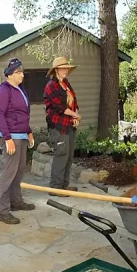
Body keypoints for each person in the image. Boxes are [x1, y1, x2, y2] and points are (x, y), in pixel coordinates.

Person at [0, 58, 37, 224]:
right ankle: (2, 211)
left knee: (19, 172)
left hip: (22, 136)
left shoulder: (20, 89)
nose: (22, 75)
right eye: (19, 72)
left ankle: (16, 202)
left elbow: (23, 115)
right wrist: (7, 138)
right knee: (8, 173)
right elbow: (0, 115)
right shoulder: (4, 90)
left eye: (22, 72)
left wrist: (29, 132)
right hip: (11, 138)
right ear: (9, 74)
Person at [44, 57, 81, 192]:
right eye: (63, 68)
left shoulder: (66, 84)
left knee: (69, 156)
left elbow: (73, 101)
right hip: (58, 126)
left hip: (69, 124)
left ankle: (64, 185)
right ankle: (56, 187)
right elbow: (59, 107)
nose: (66, 70)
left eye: (67, 68)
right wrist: (75, 115)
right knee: (61, 155)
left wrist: (76, 115)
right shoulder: (51, 86)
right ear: (56, 70)